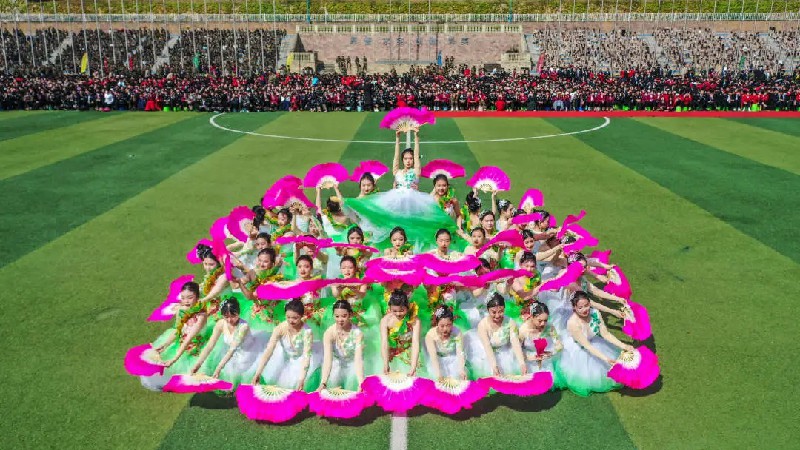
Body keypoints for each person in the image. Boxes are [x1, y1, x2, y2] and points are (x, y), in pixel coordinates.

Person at [346, 128, 458, 251]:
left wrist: (416, 136)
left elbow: (417, 155)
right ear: (402, 160)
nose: (408, 161)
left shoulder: (416, 171)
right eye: (405, 158)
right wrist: (397, 138)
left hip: (413, 201)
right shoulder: (397, 171)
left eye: (410, 158)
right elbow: (395, 157)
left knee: (412, 224)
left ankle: (411, 248)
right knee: (391, 221)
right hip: (396, 200)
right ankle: (393, 246)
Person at [556, 291, 632, 396]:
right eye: (580, 307)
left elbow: (605, 334)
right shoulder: (572, 323)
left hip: (594, 342)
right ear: (574, 308)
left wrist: (624, 346)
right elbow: (587, 346)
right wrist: (606, 359)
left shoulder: (595, 313)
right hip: (579, 349)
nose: (585, 309)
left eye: (586, 305)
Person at [189, 297, 268, 386]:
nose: (229, 320)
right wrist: (198, 364)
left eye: (233, 316)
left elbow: (232, 350)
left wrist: (218, 369)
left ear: (238, 313)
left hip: (248, 352)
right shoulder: (221, 324)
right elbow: (210, 345)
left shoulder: (243, 327)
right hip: (232, 352)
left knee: (241, 374)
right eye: (226, 317)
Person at [250, 299, 321, 391]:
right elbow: (269, 350)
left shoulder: (307, 332)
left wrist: (302, 379)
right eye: (288, 317)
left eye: (295, 318)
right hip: (283, 356)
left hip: (301, 359)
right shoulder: (280, 328)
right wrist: (258, 373)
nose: (291, 321)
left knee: (300, 383)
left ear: (301, 316)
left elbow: (306, 356)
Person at [466, 293, 527, 378]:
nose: (497, 315)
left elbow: (515, 343)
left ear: (504, 308)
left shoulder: (510, 322)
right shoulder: (483, 325)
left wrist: (522, 363)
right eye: (494, 312)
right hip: (487, 353)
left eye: (501, 311)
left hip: (505, 351)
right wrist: (494, 366)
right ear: (488, 310)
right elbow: (487, 346)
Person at [318, 300, 369, 391]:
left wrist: (361, 382)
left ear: (350, 315)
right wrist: (323, 382)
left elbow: (358, 359)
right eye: (337, 316)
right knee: (334, 382)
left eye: (344, 316)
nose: (340, 320)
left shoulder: (357, 333)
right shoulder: (329, 333)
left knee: (353, 383)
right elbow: (328, 359)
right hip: (336, 364)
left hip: (353, 365)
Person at [380, 289, 422, 376]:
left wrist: (413, 367)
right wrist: (385, 364)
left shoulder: (414, 320)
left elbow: (416, 343)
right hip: (392, 352)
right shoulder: (386, 321)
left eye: (402, 310)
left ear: (408, 307)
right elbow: (384, 343)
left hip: (409, 351)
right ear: (390, 308)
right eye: (394, 311)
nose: (398, 314)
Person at [517, 302, 562, 377]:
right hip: (529, 365)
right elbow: (516, 350)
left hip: (546, 364)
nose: (543, 324)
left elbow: (559, 345)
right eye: (540, 321)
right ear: (532, 317)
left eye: (545, 320)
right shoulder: (524, 330)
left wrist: (550, 353)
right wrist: (530, 357)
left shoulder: (549, 327)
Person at [424, 305, 467, 380]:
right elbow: (433, 357)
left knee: (458, 378)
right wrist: (438, 374)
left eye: (449, 325)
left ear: (452, 323)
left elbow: (460, 352)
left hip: (453, 359)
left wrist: (461, 369)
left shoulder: (457, 332)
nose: (445, 329)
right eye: (442, 326)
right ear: (437, 323)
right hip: (437, 361)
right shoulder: (430, 335)